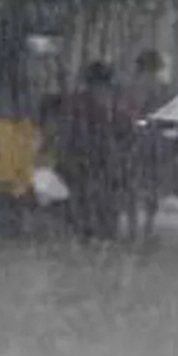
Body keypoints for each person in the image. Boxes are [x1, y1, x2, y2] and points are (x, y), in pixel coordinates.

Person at [54, 61, 126, 240]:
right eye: (99, 86)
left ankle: (93, 231)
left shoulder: (83, 103)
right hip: (89, 160)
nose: (101, 90)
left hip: (94, 160)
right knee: (90, 197)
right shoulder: (85, 104)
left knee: (91, 198)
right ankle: (92, 230)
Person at [121, 50, 171, 241]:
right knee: (151, 186)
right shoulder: (158, 86)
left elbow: (130, 111)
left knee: (134, 184)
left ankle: (133, 228)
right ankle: (147, 229)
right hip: (153, 139)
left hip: (135, 138)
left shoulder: (132, 85)